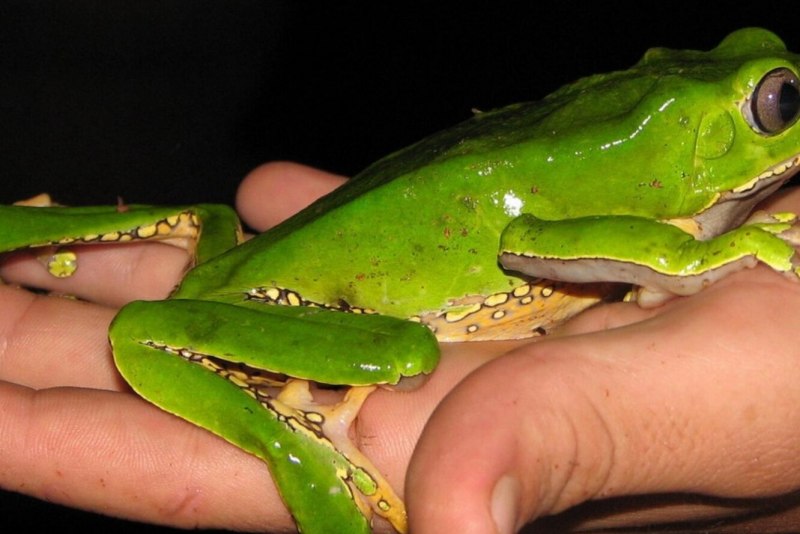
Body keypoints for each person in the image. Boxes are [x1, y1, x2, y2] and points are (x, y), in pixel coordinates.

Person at [2, 161, 800, 533]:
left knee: (220, 225)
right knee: (403, 353)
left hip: (295, 262)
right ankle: (295, 445)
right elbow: (536, 241)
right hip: (319, 307)